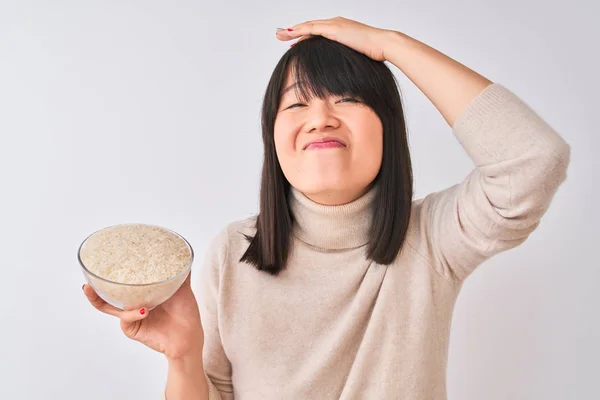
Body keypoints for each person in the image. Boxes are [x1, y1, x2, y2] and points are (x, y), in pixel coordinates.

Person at [82, 17, 571, 400]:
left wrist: (392, 46)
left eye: (349, 98)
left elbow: (534, 160)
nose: (320, 119)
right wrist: (184, 356)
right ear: (272, 138)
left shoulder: (432, 239)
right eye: (297, 105)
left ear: (388, 128)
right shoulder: (233, 251)